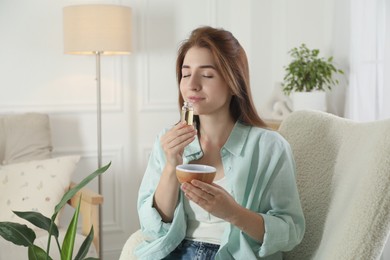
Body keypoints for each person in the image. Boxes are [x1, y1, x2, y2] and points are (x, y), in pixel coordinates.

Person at [135, 26, 305, 259]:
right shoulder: (167, 140)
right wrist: (171, 163)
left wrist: (233, 213)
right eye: (185, 74)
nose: (192, 85)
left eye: (206, 75)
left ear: (234, 81)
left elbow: (290, 230)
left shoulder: (269, 147)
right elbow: (153, 226)